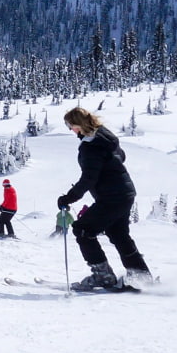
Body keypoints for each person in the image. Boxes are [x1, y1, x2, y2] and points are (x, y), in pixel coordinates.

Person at [58, 107, 152, 288]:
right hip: (124, 194)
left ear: (78, 124)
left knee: (83, 230)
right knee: (119, 234)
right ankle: (141, 276)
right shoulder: (105, 137)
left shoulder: (90, 146)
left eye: (70, 125)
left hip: (112, 197)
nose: (70, 130)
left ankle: (103, 276)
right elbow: (121, 157)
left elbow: (88, 178)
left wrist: (68, 199)